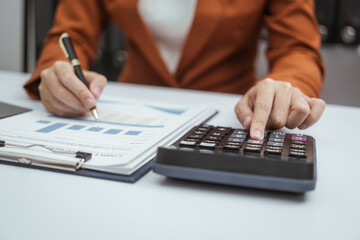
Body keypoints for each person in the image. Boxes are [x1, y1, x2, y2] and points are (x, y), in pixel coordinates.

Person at [24, 0, 326, 140]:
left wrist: (283, 89)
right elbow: (69, 36)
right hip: (132, 115)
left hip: (230, 119)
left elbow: (296, 48)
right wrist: (56, 72)